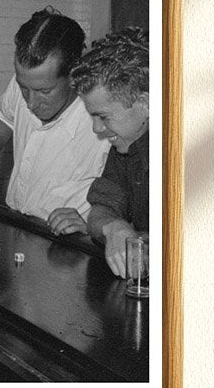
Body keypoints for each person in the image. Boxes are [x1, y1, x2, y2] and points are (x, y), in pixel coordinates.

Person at [0, 8, 110, 223]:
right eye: (23, 88)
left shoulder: (105, 119)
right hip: (18, 225)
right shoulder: (29, 81)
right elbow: (4, 117)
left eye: (44, 92)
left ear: (75, 74)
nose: (30, 103)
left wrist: (91, 227)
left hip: (70, 245)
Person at [52, 29, 150, 277]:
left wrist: (134, 237)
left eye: (103, 116)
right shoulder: (126, 145)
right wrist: (114, 227)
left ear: (147, 104)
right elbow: (100, 209)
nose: (97, 129)